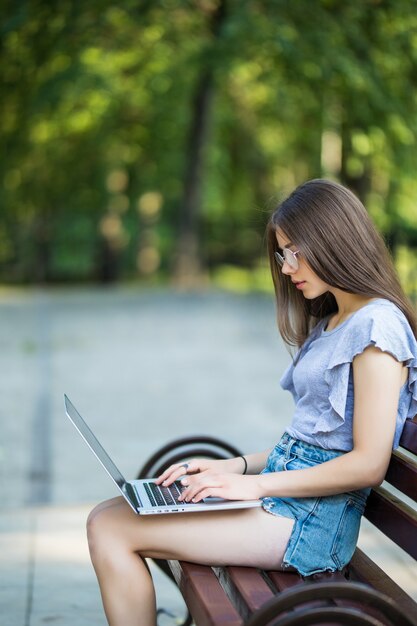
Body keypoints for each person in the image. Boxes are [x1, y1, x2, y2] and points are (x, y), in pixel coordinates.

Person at [86, 179, 417, 626]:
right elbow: (312, 442)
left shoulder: (378, 327)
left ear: (333, 240)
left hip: (309, 528)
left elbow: (368, 464)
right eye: (282, 255)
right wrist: (233, 468)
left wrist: (254, 486)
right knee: (112, 513)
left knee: (111, 527)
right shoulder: (336, 320)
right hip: (288, 509)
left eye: (294, 252)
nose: (286, 267)